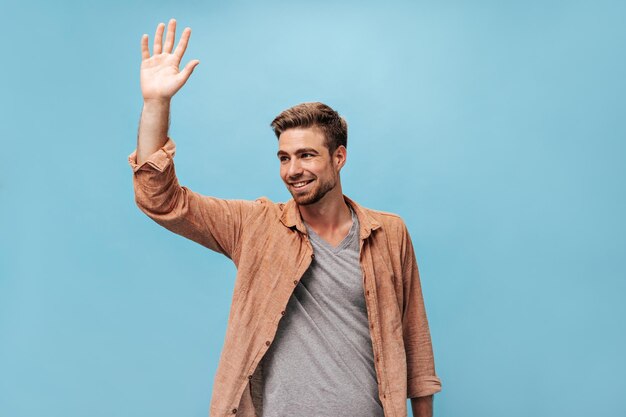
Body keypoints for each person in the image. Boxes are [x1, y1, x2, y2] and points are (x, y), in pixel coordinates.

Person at [129, 19, 442, 417]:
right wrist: (157, 104)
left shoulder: (389, 233)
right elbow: (162, 200)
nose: (293, 169)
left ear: (339, 157)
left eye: (307, 155)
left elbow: (415, 344)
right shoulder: (255, 226)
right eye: (284, 157)